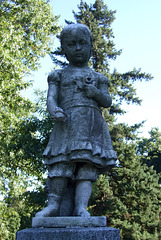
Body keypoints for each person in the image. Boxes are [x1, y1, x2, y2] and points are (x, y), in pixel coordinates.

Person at [35, 23, 117, 218]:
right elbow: (51, 98)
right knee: (61, 164)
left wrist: (94, 92)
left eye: (82, 43)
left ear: (90, 45)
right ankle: (53, 205)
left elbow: (107, 101)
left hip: (91, 125)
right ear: (64, 48)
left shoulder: (98, 78)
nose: (78, 48)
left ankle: (81, 207)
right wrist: (54, 110)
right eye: (72, 44)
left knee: (87, 167)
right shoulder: (58, 75)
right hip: (67, 124)